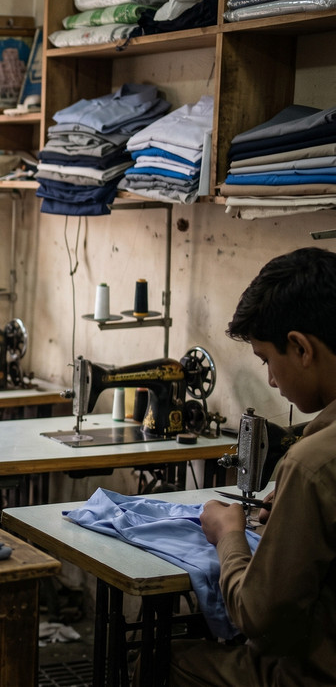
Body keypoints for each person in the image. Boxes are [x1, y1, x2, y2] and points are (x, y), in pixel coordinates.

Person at [169, 247, 336, 686]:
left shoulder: (311, 465)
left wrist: (229, 536)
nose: (272, 381)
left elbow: (258, 619)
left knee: (170, 659)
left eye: (266, 360)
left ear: (300, 347)